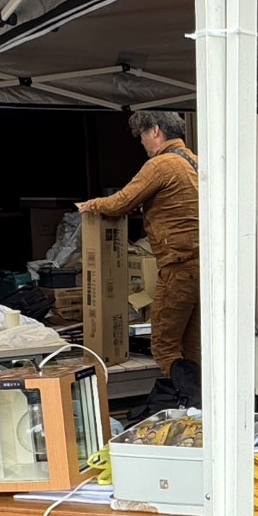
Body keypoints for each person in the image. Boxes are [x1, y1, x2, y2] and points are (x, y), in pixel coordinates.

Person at [77, 111, 200, 378]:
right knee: (192, 345)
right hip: (202, 266)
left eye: (142, 135)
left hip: (177, 266)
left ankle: (180, 395)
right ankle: (199, 397)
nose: (142, 143)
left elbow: (121, 202)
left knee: (165, 346)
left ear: (155, 130)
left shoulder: (161, 165)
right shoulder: (195, 162)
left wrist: (92, 205)